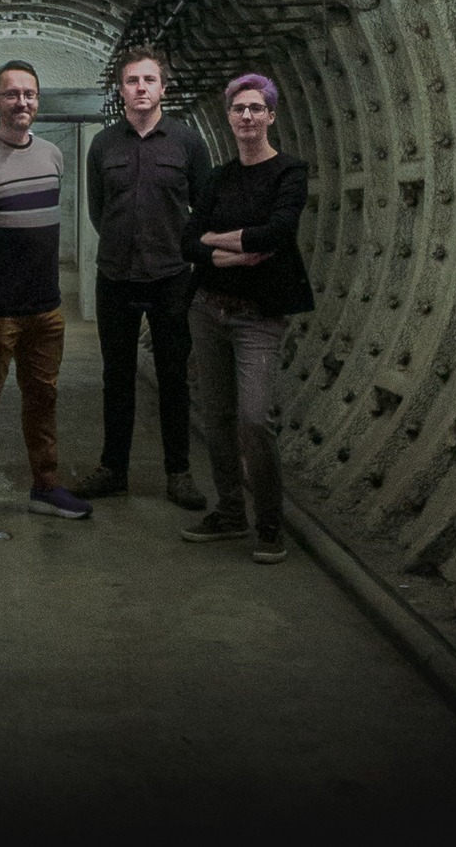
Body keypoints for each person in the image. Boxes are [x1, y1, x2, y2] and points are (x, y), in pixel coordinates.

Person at [0, 62, 93, 527]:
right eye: (11, 94)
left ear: (38, 100)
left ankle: (45, 487)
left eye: (29, 94)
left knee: (43, 398)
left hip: (45, 308)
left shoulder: (52, 155)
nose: (22, 102)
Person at [179, 73, 314, 564]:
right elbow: (188, 240)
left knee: (255, 420)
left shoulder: (290, 172)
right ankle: (230, 511)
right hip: (208, 308)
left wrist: (218, 238)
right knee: (216, 416)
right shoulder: (217, 177)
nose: (247, 117)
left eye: (256, 108)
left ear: (271, 115)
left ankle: (269, 523)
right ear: (229, 117)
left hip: (259, 316)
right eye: (239, 109)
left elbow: (277, 234)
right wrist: (228, 251)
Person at [71, 48, 211, 509]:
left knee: (173, 377)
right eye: (132, 81)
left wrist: (179, 252)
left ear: (163, 88)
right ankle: (114, 468)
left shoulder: (188, 143)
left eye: (150, 80)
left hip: (171, 275)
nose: (141, 88)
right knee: (117, 376)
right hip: (116, 275)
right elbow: (98, 210)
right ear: (121, 89)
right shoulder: (104, 144)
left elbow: (204, 210)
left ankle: (179, 473)